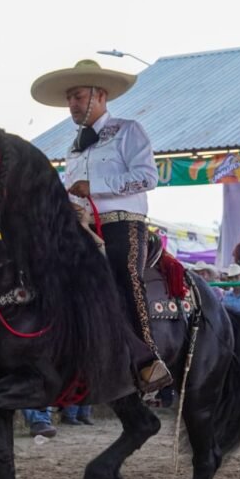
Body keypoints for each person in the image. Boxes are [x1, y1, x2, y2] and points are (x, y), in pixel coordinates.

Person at [31, 58, 171, 393]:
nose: (72, 105)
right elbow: (73, 189)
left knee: (124, 275)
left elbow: (148, 177)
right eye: (69, 99)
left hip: (124, 223)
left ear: (100, 95)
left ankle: (149, 361)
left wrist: (94, 185)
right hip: (82, 225)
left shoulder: (128, 130)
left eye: (78, 97)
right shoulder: (73, 146)